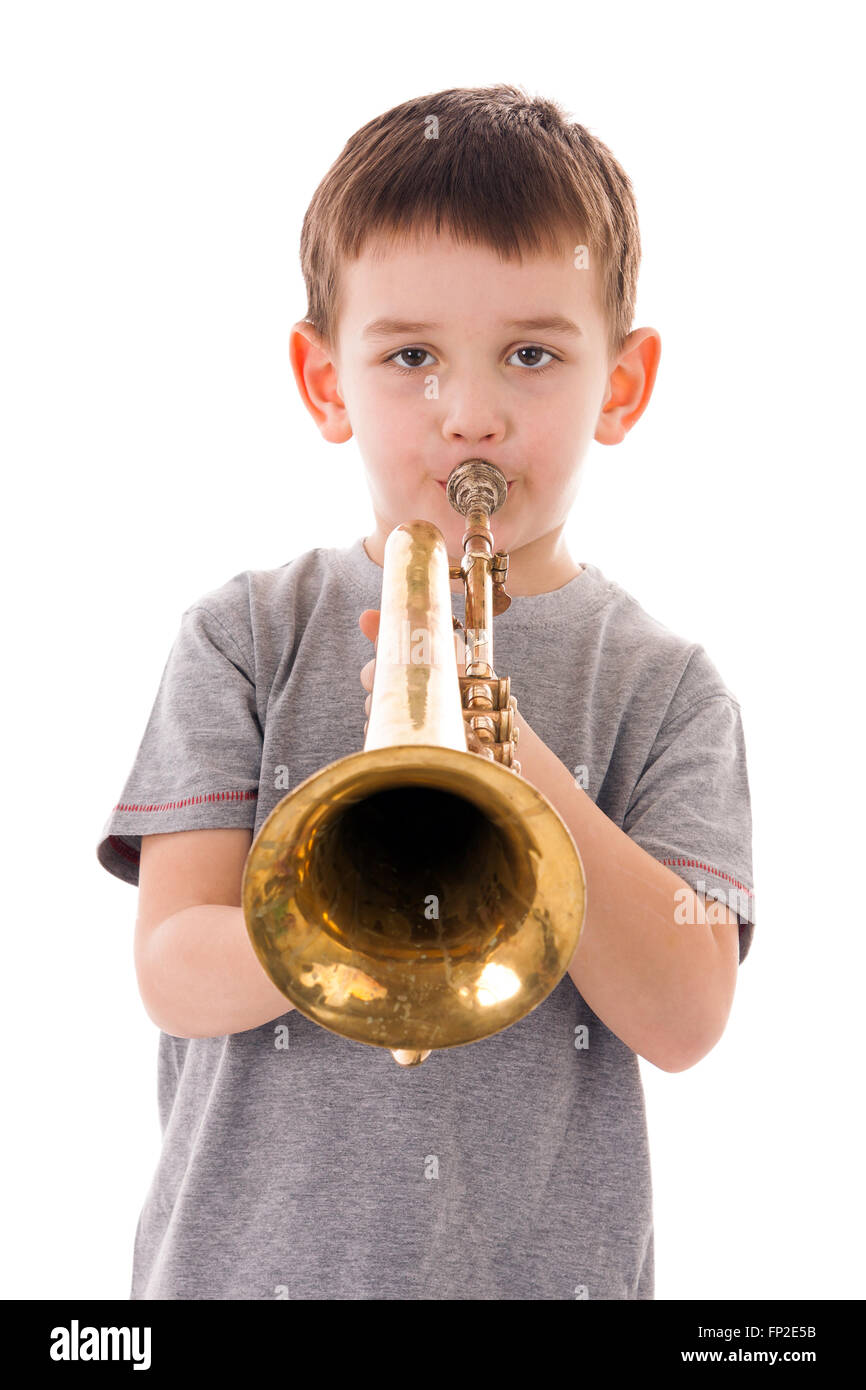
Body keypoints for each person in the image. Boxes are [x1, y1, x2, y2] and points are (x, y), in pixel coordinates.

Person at [97, 83, 755, 1301]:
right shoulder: (244, 636)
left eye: (531, 353)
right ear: (323, 381)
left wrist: (509, 756)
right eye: (408, 357)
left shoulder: (665, 688)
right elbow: (174, 966)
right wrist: (347, 934)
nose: (470, 416)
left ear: (620, 383)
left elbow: (684, 1013)